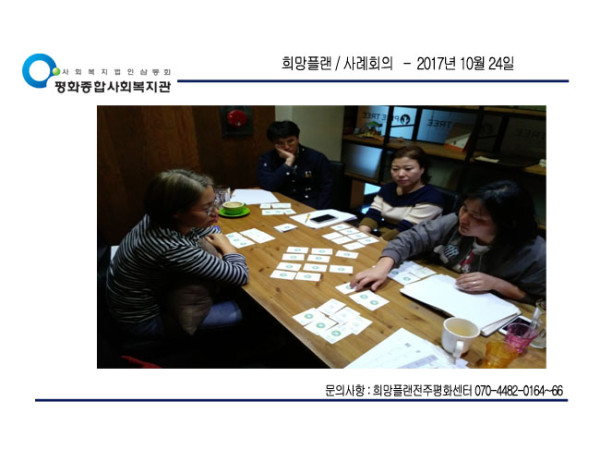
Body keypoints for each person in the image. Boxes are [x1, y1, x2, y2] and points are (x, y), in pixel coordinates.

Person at [106, 169, 249, 340]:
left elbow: (208, 231)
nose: (216, 212)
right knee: (252, 309)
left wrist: (218, 245)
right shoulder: (169, 246)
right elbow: (240, 275)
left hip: (131, 302)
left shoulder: (159, 217)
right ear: (177, 212)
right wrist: (227, 247)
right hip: (143, 322)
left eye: (215, 202)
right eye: (207, 208)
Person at [351, 180, 546, 303]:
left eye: (477, 217)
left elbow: (540, 301)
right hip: (435, 296)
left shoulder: (536, 254)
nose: (464, 219)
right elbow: (411, 237)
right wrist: (381, 268)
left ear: (507, 224)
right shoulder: (455, 221)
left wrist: (497, 284)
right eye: (464, 208)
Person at [357, 146, 445, 241]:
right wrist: (361, 234)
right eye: (395, 169)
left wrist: (376, 243)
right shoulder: (388, 188)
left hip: (410, 242)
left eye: (408, 169)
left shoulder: (431, 198)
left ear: (422, 169)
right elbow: (373, 214)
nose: (400, 174)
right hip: (382, 236)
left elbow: (406, 229)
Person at [257, 120, 334, 209]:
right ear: (274, 144)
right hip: (281, 203)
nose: (286, 147)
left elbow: (327, 188)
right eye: (280, 143)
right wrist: (288, 163)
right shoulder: (267, 158)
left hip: (309, 204)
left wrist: (320, 211)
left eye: (290, 141)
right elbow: (268, 185)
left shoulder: (316, 157)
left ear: (297, 139)